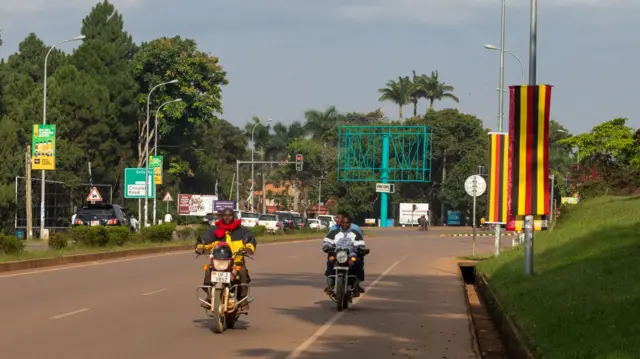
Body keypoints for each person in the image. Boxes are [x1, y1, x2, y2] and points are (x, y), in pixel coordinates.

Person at [196, 208, 256, 311]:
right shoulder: (214, 231)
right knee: (207, 273)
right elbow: (204, 239)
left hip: (236, 262)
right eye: (224, 215)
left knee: (242, 274)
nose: (227, 217)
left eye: (230, 215)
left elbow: (250, 239)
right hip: (218, 262)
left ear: (234, 216)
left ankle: (243, 299)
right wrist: (200, 247)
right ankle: (210, 297)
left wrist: (249, 248)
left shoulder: (242, 230)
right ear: (221, 217)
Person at [322, 213, 366, 296]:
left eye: (347, 223)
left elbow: (361, 244)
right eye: (343, 223)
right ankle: (330, 284)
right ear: (340, 223)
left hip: (351, 255)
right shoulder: (334, 232)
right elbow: (327, 241)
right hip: (337, 255)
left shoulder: (355, 233)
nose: (345, 224)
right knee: (330, 261)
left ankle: (356, 284)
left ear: (350, 224)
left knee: (358, 262)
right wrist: (327, 246)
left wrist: (361, 249)